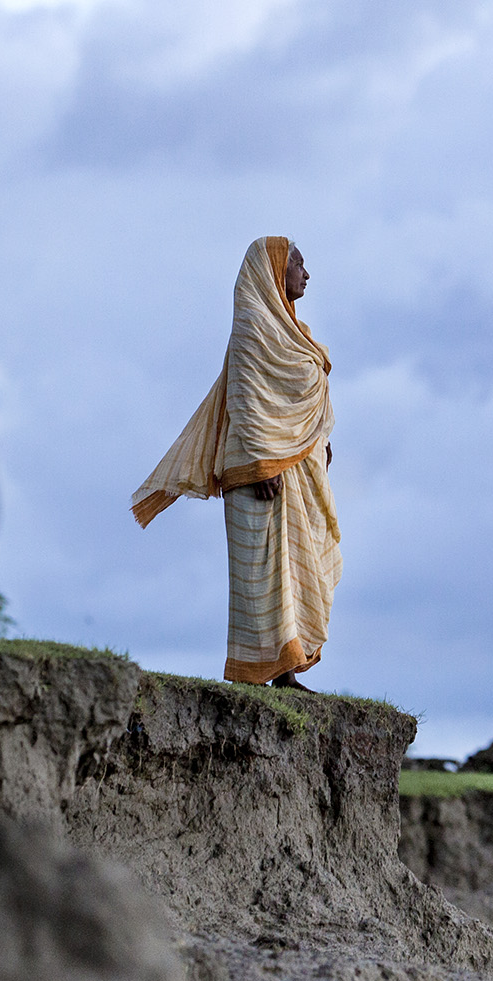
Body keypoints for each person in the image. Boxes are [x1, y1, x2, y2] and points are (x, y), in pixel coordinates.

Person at [130, 237, 340, 691]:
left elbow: (295, 404)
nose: (307, 275)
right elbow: (245, 401)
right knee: (259, 576)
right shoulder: (253, 329)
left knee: (295, 572)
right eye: (299, 265)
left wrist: (320, 441)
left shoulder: (294, 334)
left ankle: (285, 672)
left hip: (297, 473)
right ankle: (254, 673)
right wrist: (259, 464)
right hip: (257, 473)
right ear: (274, 270)